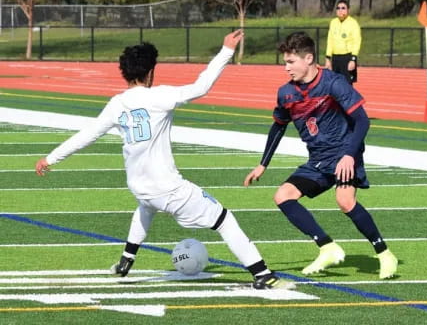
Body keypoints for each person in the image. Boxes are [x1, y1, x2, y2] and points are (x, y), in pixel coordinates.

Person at [35, 30, 294, 290]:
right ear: (149, 72)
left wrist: (51, 158)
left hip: (139, 186)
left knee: (146, 206)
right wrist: (226, 50)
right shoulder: (158, 97)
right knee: (225, 220)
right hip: (169, 188)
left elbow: (87, 135)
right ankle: (263, 274)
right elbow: (201, 87)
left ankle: (126, 259)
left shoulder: (116, 104)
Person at [244, 31, 397, 279]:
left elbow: (362, 121)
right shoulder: (286, 93)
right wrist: (262, 165)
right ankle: (327, 247)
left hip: (345, 152)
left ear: (308, 59)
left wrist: (349, 155)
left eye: (291, 62)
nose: (286, 68)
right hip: (318, 158)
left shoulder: (334, 83)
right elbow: (278, 126)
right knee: (283, 196)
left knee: (345, 200)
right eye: (285, 62)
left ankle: (384, 254)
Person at [325, 0, 361, 85]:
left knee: (347, 85)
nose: (340, 10)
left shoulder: (353, 23)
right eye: (338, 8)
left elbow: (357, 41)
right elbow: (330, 40)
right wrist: (327, 58)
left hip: (347, 58)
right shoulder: (333, 22)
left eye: (343, 8)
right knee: (334, 84)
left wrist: (353, 59)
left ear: (348, 10)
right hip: (335, 58)